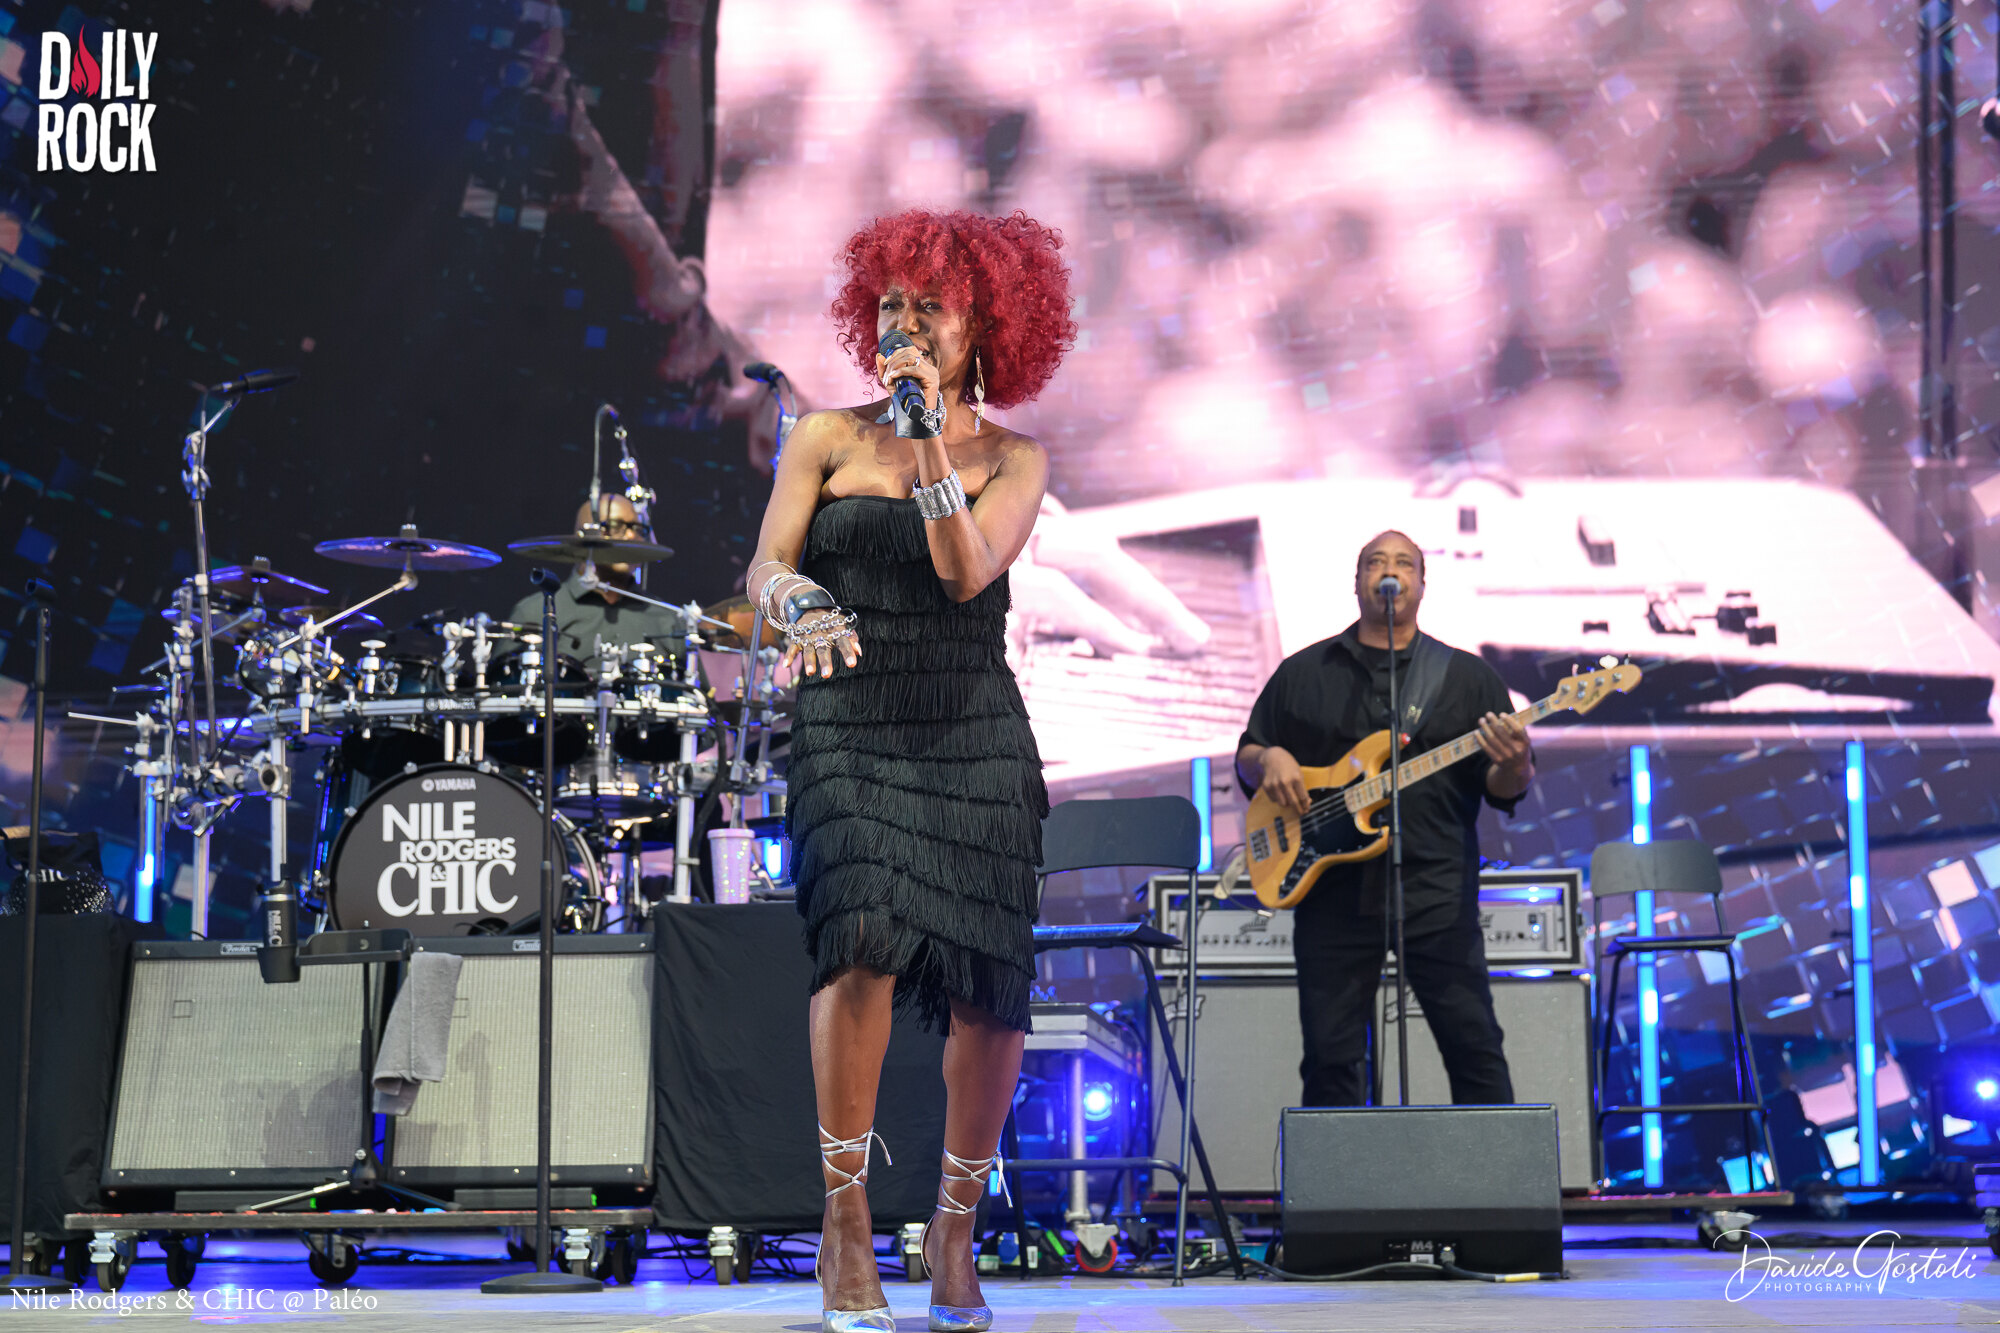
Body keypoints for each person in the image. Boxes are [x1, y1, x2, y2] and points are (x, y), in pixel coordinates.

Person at [746, 208, 1073, 1333]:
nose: (904, 322)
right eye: (890, 303)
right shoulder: (823, 437)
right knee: (861, 941)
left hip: (969, 730)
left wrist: (930, 435)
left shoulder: (1015, 459)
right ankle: (844, 1221)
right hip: (849, 719)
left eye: (929, 306)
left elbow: (963, 570)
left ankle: (951, 1228)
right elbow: (764, 566)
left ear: (985, 323)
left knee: (990, 994)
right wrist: (797, 599)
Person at [1234, 530, 1533, 1108]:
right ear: (1357, 582)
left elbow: (1503, 788)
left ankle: (1492, 1169)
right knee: (1331, 1060)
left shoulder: (1468, 678)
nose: (1389, 572)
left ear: (1421, 584)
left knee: (1473, 1047)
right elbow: (1249, 755)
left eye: (1403, 564)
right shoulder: (1303, 672)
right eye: (1376, 562)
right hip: (1331, 892)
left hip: (1436, 890)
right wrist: (1267, 758)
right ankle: (1338, 1171)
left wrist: (1516, 763)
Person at [506, 492, 689, 673]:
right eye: (616, 526)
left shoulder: (668, 620)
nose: (631, 536)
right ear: (583, 536)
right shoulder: (534, 612)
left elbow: (697, 688)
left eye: (637, 529)